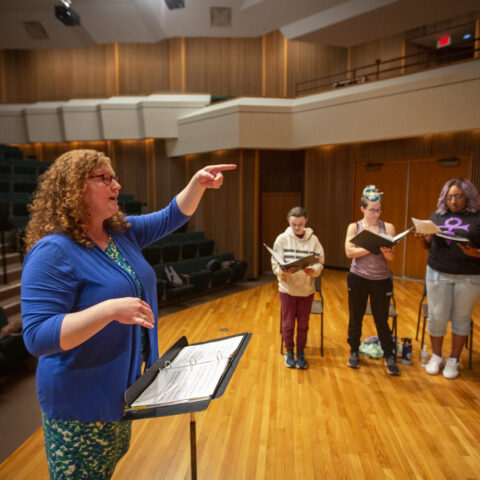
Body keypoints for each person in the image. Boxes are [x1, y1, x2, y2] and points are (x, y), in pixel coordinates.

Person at [21, 149, 236, 479]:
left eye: (115, 177)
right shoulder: (52, 251)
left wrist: (197, 184)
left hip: (120, 393)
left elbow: (171, 216)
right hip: (80, 404)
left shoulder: (120, 232)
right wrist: (107, 310)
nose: (117, 185)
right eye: (104, 178)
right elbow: (36, 336)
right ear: (75, 188)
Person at [415, 178, 480, 379]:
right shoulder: (437, 216)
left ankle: (454, 359)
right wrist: (423, 240)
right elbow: (429, 246)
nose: (453, 201)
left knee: (461, 318)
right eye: (449, 196)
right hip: (438, 272)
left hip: (469, 276)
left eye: (457, 196)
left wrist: (475, 254)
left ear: (468, 196)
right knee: (437, 316)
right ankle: (436, 356)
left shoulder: (477, 218)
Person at [345, 185, 400, 376]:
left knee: (382, 319)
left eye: (379, 210)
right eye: (372, 210)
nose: (376, 213)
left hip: (381, 279)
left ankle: (389, 355)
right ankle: (354, 350)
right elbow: (349, 252)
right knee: (356, 316)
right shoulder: (355, 227)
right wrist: (372, 245)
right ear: (363, 209)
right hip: (358, 277)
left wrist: (385, 250)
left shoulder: (388, 227)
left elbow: (391, 257)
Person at [271, 206, 324, 369]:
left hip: (306, 289)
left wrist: (313, 270)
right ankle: (289, 352)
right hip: (287, 289)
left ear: (306, 221)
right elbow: (275, 263)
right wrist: (282, 271)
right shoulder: (281, 239)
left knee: (303, 324)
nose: (297, 227)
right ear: (289, 222)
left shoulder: (313, 240)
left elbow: (320, 261)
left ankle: (300, 352)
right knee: (287, 324)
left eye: (300, 224)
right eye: (294, 224)